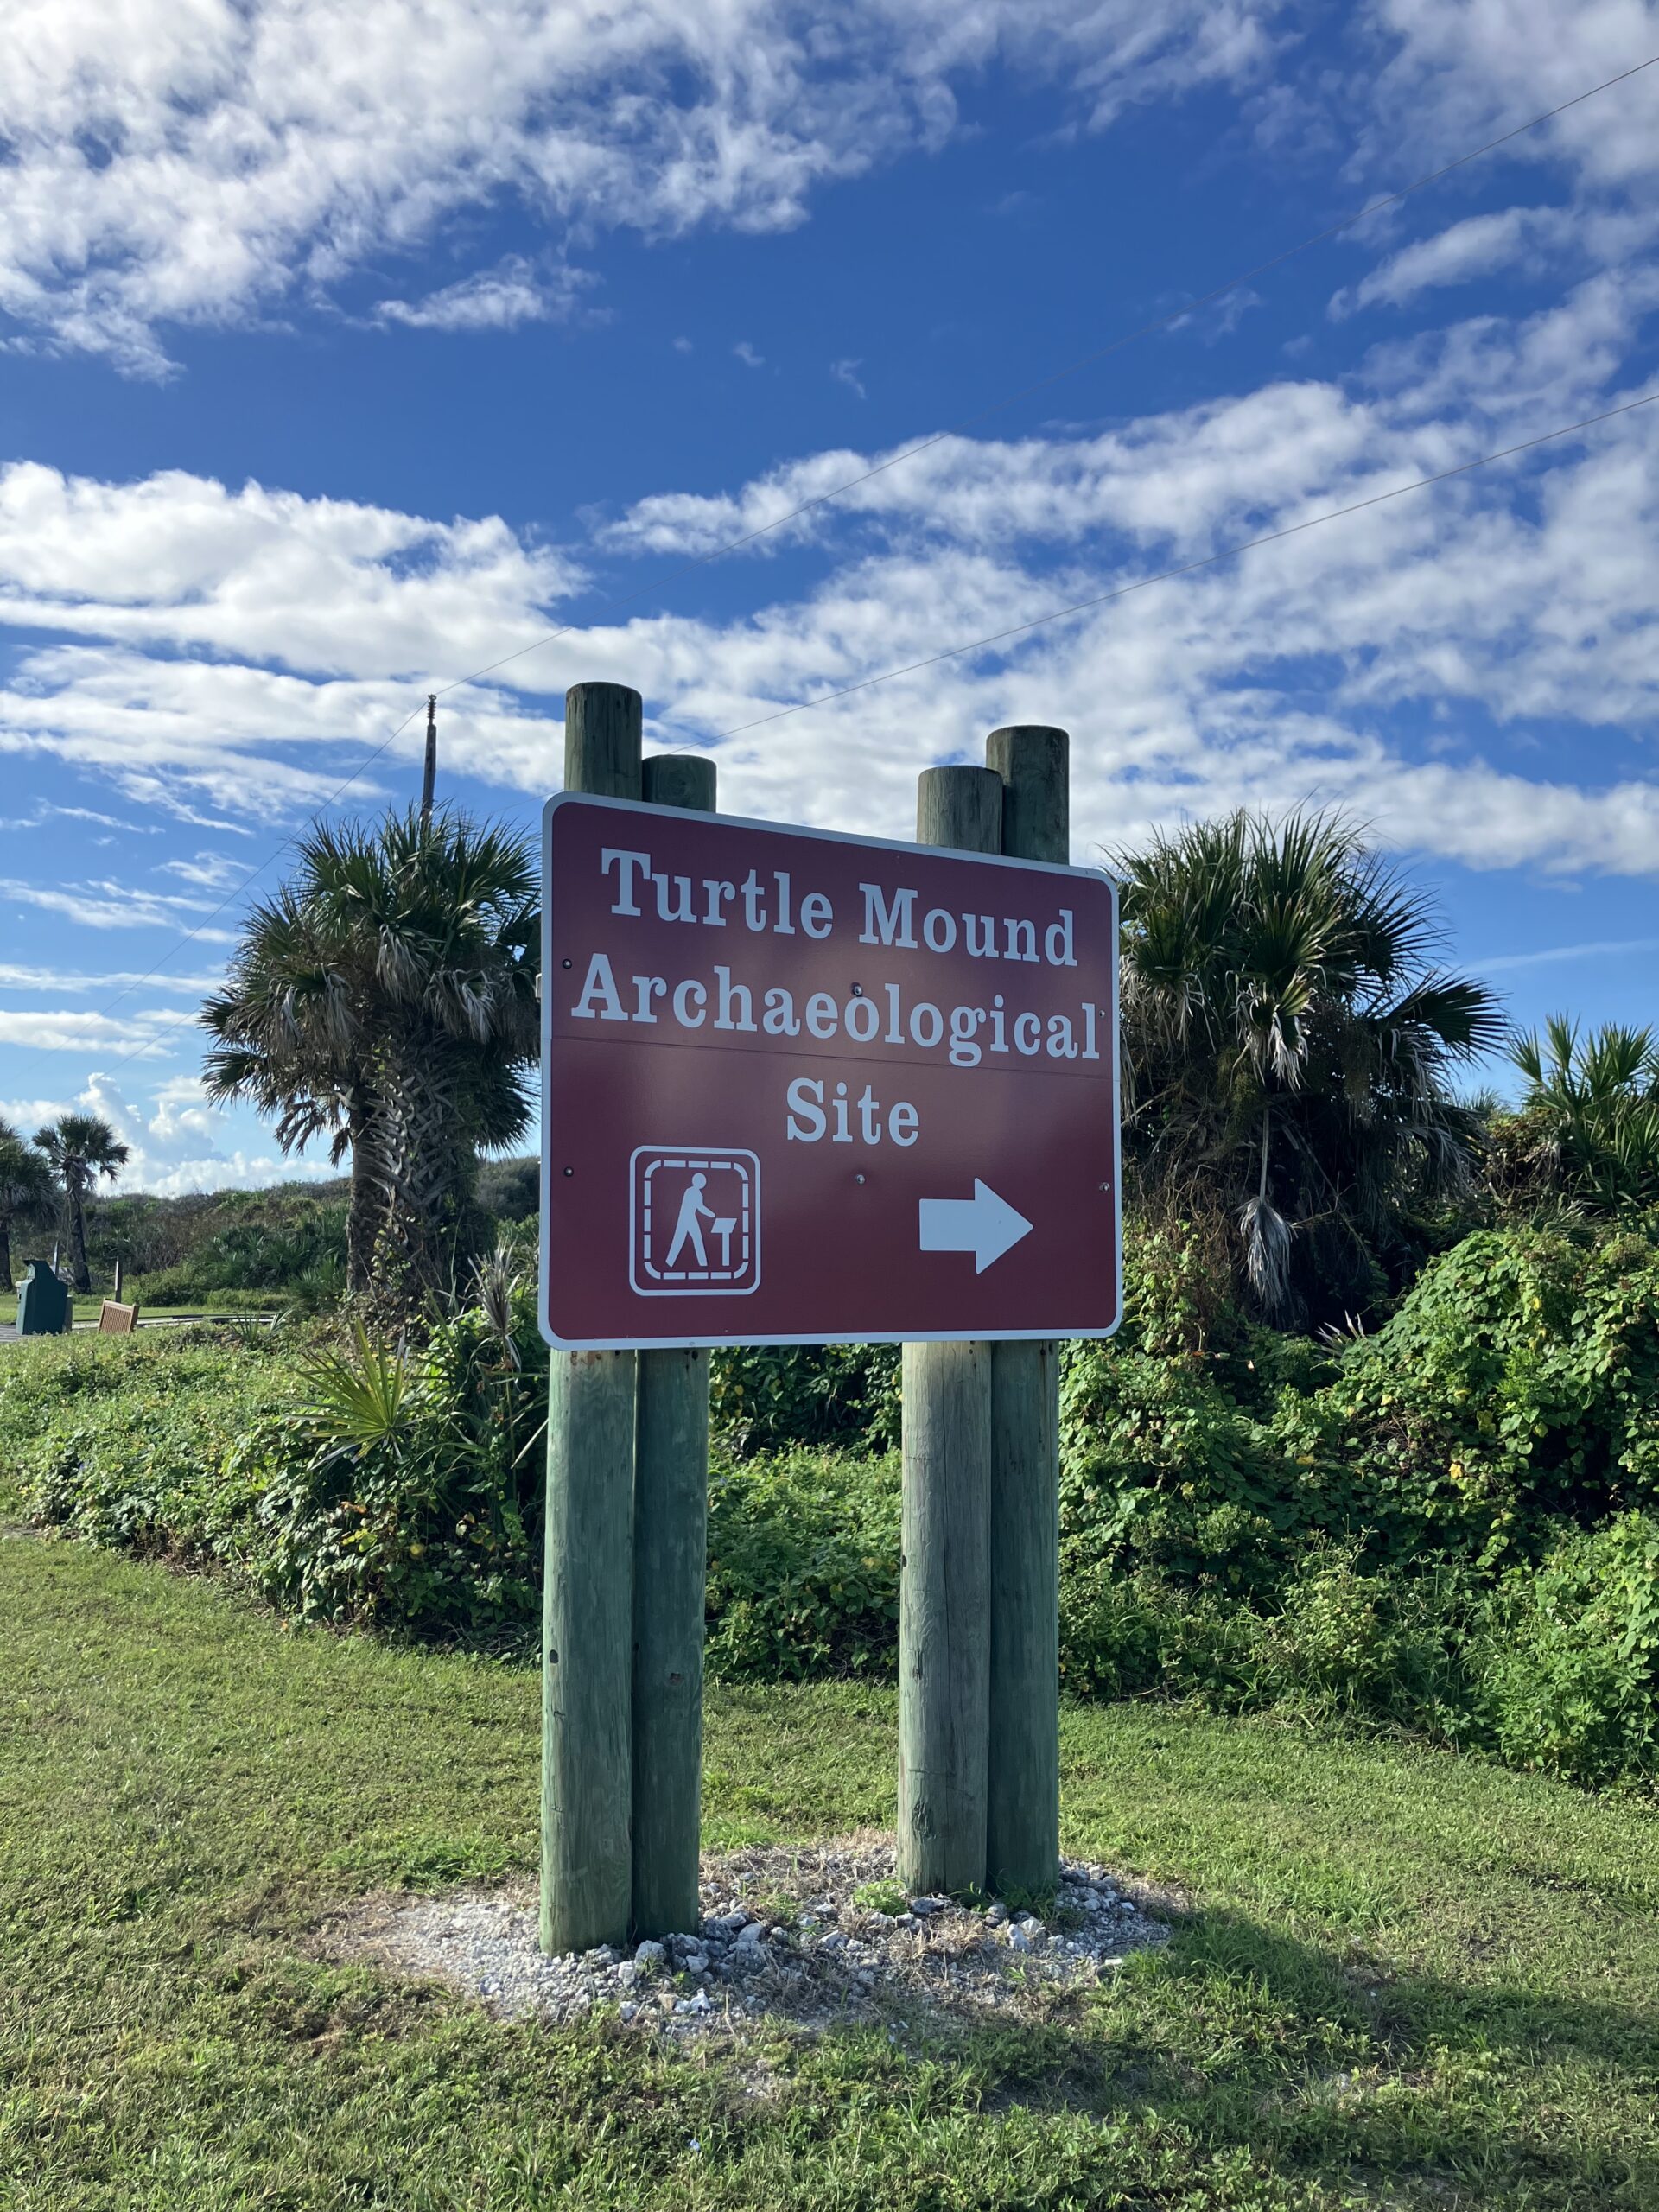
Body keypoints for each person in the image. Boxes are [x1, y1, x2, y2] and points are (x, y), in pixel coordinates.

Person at [664, 1171, 716, 1269]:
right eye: (701, 1181)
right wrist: (712, 1214)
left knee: (684, 1239)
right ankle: (703, 1263)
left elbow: (699, 1207)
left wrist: (710, 1214)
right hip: (687, 1217)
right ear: (696, 1181)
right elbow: (700, 1208)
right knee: (693, 1239)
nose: (703, 1183)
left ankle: (670, 1262)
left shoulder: (695, 1192)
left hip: (687, 1217)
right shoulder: (692, 1191)